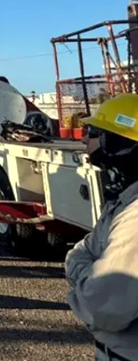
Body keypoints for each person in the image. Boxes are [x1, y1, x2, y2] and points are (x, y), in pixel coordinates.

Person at [65, 94, 138, 361]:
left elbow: (103, 307)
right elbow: (88, 246)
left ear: (119, 145)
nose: (84, 139)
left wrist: (80, 273)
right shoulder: (124, 202)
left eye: (93, 132)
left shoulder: (135, 218)